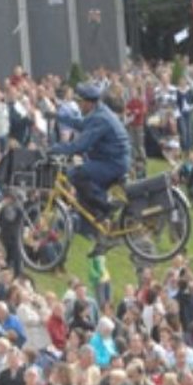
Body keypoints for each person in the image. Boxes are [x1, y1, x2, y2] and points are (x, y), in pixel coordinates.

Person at [49, 82, 131, 257]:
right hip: (111, 160)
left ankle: (106, 208)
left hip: (113, 163)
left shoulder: (100, 118)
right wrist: (57, 116)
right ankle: (102, 235)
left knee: (76, 174)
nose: (79, 105)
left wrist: (55, 149)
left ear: (89, 103)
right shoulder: (98, 113)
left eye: (80, 102)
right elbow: (81, 124)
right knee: (83, 197)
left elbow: (80, 145)